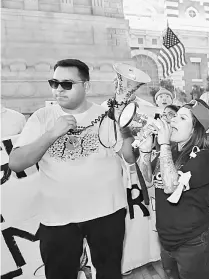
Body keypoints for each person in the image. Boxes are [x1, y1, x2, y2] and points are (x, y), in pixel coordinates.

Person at [9, 59, 131, 279]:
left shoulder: (108, 115)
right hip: (58, 217)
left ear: (86, 85)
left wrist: (125, 126)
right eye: (54, 83)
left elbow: (130, 157)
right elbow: (16, 162)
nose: (58, 89)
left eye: (66, 84)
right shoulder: (42, 117)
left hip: (107, 212)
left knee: (109, 273)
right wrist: (52, 133)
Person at [137, 99, 209, 279]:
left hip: (195, 243)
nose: (172, 121)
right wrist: (145, 152)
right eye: (174, 116)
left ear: (194, 129)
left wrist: (164, 145)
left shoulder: (206, 157)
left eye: (181, 118)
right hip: (168, 242)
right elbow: (147, 180)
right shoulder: (169, 152)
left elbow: (170, 186)